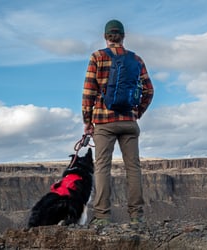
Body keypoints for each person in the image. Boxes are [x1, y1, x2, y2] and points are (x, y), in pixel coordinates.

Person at [82, 19, 154, 226]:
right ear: (123, 36)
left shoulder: (97, 56)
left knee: (102, 167)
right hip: (129, 122)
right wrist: (137, 112)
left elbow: (89, 91)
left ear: (105, 36)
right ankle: (136, 216)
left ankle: (103, 216)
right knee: (133, 168)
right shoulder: (136, 59)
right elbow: (149, 90)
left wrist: (88, 121)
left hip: (104, 121)